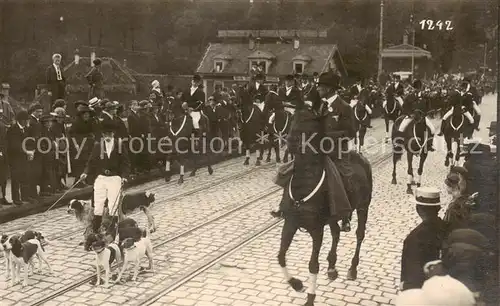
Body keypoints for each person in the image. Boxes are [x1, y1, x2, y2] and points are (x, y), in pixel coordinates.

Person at [316, 71, 356, 231]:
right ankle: (287, 206)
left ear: (330, 89)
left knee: (345, 178)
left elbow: (351, 132)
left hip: (338, 152)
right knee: (295, 168)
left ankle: (345, 216)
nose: (318, 89)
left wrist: (328, 137)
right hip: (317, 150)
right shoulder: (320, 106)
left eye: (321, 86)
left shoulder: (344, 108)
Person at [80, 120, 130, 245]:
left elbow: (125, 162)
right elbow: (91, 162)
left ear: (113, 133)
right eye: (105, 134)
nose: (107, 136)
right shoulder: (98, 145)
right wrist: (85, 172)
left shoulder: (119, 144)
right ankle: (96, 232)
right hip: (101, 178)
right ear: (102, 135)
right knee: (98, 205)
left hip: (115, 178)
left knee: (113, 205)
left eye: (110, 134)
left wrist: (124, 176)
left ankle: (113, 232)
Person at [400, 187, 445, 291]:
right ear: (438, 208)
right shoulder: (446, 227)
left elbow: (412, 278)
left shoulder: (414, 238)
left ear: (418, 209)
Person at [397, 79, 435, 151]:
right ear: (413, 88)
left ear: (421, 88)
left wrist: (425, 114)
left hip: (422, 117)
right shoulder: (409, 96)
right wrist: (409, 114)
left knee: (432, 129)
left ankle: (429, 145)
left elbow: (428, 107)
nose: (416, 90)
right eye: (415, 88)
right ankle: (399, 143)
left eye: (418, 88)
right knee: (401, 128)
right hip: (411, 116)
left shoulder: (425, 97)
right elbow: (404, 107)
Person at [6, 111, 32, 205]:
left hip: (23, 157)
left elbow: (28, 142)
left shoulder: (25, 129)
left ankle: (25, 196)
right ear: (21, 120)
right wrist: (26, 151)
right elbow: (14, 145)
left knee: (25, 176)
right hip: (15, 158)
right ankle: (16, 198)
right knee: (16, 178)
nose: (27, 122)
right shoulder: (13, 130)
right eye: (26, 120)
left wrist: (30, 151)